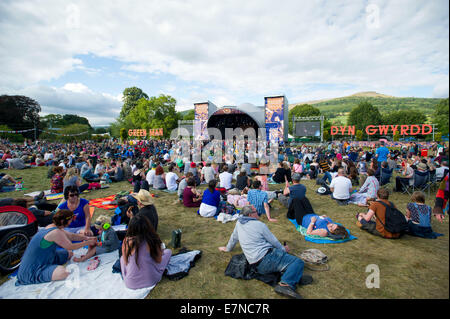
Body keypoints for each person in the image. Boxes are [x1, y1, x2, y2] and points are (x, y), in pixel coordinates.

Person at [218, 205, 312, 299]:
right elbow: (274, 241)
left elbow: (233, 238)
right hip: (266, 259)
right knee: (297, 262)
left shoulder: (239, 223)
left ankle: (293, 277)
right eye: (256, 211)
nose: (258, 212)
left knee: (286, 262)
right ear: (250, 214)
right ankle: (285, 285)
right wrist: (284, 249)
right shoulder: (260, 225)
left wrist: (227, 248)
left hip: (254, 264)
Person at [16, 209, 97, 285]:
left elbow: (72, 236)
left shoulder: (52, 227)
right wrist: (88, 242)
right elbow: (71, 246)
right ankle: (48, 270)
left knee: (68, 254)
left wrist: (87, 238)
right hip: (32, 269)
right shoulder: (55, 232)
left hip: (47, 256)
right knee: (64, 272)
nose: (71, 223)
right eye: (70, 220)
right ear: (63, 221)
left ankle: (52, 265)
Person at [120, 213, 172, 289]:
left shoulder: (126, 241)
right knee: (168, 252)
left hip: (130, 283)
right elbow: (158, 260)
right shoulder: (152, 240)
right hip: (151, 280)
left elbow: (125, 261)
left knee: (122, 259)